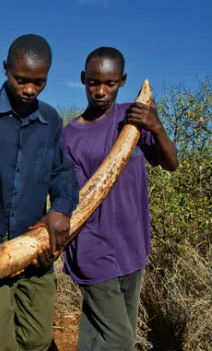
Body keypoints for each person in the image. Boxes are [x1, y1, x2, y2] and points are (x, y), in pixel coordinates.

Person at [0, 34, 79, 351]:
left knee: (36, 338)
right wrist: (1, 257)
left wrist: (61, 209)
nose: (29, 89)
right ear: (5, 68)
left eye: (39, 82)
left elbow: (61, 170)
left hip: (36, 247)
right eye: (21, 79)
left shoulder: (50, 119)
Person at [62, 47, 178, 351]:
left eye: (109, 83)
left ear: (122, 80)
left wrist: (156, 126)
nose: (100, 91)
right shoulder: (69, 137)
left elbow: (171, 163)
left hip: (132, 245)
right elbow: (72, 197)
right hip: (91, 248)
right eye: (92, 82)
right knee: (121, 339)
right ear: (82, 80)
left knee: (98, 331)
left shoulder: (135, 118)